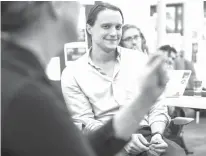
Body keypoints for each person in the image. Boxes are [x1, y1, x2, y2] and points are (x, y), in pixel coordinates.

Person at [1, 1, 168, 156]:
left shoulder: (15, 75)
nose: (80, 10)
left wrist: (145, 99)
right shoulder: (30, 95)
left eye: (118, 27)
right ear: (56, 5)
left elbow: (79, 147)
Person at [61, 3, 185, 156]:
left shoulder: (140, 60)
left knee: (176, 153)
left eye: (118, 27)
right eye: (106, 26)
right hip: (104, 140)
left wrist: (157, 135)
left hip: (146, 135)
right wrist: (120, 140)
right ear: (89, 28)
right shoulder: (72, 73)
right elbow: (85, 122)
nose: (114, 33)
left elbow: (157, 105)